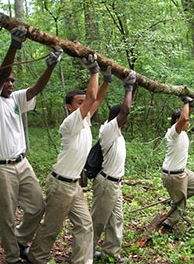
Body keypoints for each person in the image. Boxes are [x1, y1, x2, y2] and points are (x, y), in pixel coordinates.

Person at [0, 25, 63, 264]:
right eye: (7, 80)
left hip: (22, 163)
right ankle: (12, 257)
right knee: (6, 216)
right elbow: (1, 76)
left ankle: (19, 240)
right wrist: (14, 45)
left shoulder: (16, 98)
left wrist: (50, 66)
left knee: (37, 206)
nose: (10, 83)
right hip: (1, 167)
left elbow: (37, 88)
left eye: (13, 81)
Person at [27, 54, 112, 264]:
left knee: (84, 224)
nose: (85, 104)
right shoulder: (70, 123)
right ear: (69, 107)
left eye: (84, 101)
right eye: (79, 102)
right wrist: (94, 70)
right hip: (61, 185)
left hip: (74, 185)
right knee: (52, 228)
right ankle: (35, 259)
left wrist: (107, 81)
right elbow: (92, 99)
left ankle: (81, 261)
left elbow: (97, 99)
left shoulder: (85, 119)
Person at [91, 71, 136, 263]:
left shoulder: (118, 133)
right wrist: (129, 87)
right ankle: (86, 252)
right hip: (106, 183)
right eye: (122, 119)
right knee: (98, 221)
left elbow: (125, 112)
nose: (125, 121)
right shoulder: (108, 129)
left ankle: (110, 253)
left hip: (115, 184)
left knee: (116, 220)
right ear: (116, 118)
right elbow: (125, 110)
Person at [161, 96, 194, 231]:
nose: (188, 122)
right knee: (181, 205)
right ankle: (167, 226)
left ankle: (174, 200)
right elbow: (184, 118)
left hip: (182, 171)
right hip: (174, 175)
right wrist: (186, 101)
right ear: (177, 121)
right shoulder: (174, 133)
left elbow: (185, 118)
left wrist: (190, 106)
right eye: (186, 121)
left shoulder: (183, 133)